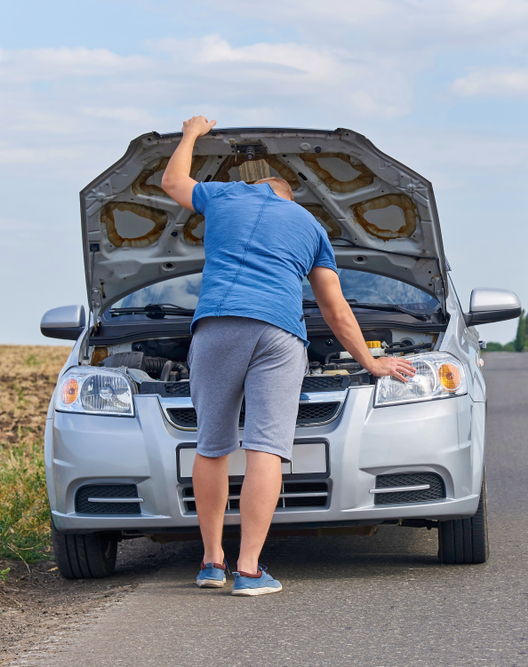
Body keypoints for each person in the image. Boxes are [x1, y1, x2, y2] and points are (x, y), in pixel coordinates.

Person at [161, 116, 416, 596]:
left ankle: (212, 563)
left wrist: (192, 132)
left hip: (217, 325)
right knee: (266, 447)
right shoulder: (311, 226)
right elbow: (334, 308)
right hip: (279, 334)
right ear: (288, 197)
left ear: (256, 186)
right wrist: (371, 362)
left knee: (212, 446)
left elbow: (171, 181)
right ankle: (250, 570)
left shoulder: (225, 196)